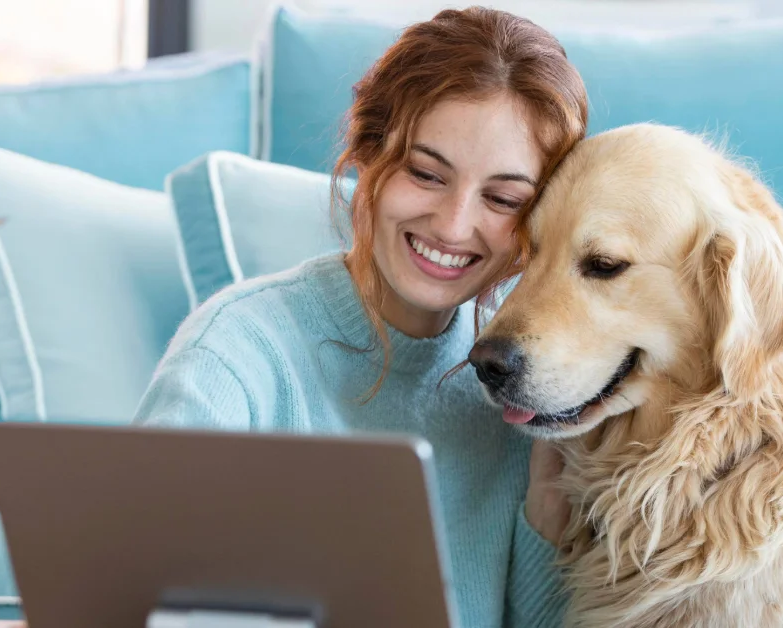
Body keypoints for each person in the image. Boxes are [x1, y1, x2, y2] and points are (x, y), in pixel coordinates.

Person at [132, 7, 589, 627]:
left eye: (503, 198)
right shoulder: (235, 352)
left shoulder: (516, 388)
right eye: (425, 174)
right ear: (369, 153)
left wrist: (546, 508)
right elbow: (132, 591)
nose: (454, 226)